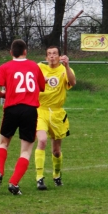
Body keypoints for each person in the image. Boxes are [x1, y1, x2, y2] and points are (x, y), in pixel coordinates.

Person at [0, 39, 45, 195]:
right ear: (25, 51)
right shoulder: (34, 66)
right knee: (26, 151)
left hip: (11, 109)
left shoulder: (5, 67)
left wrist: (1, 94)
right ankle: (13, 183)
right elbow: (41, 87)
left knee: (3, 143)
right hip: (29, 110)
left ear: (11, 53)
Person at [34, 45, 76, 190]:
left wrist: (67, 66)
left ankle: (56, 175)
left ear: (59, 56)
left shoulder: (65, 70)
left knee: (56, 151)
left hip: (57, 114)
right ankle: (39, 178)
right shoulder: (39, 67)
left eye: (55, 53)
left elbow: (73, 83)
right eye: (49, 54)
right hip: (41, 111)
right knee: (42, 140)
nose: (52, 56)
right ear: (46, 58)